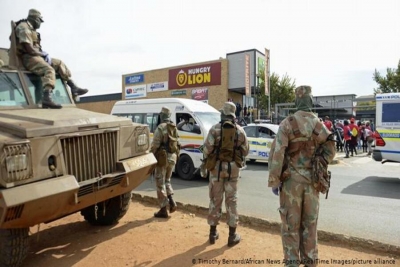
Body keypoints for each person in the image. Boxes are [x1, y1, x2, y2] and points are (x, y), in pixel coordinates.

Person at [268, 85, 336, 266]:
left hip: (291, 183)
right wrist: (318, 165)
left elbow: (277, 153)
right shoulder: (319, 125)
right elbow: (331, 150)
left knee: (291, 227)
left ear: (297, 101)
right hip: (313, 183)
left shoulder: (287, 123)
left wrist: (275, 180)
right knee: (310, 227)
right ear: (311, 101)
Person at [13, 9, 88, 109]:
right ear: (35, 19)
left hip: (37, 56)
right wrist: (42, 54)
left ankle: (73, 87)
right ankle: (47, 98)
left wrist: (42, 55)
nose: (40, 23)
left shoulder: (32, 29)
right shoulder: (23, 27)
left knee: (59, 63)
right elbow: (29, 50)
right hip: (28, 58)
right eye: (40, 20)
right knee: (49, 70)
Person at [203, 102, 249, 247]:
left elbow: (206, 149)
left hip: (216, 170)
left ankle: (212, 233)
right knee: (232, 201)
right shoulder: (240, 131)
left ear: (223, 114)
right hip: (233, 171)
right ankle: (232, 235)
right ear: (233, 114)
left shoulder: (214, 129)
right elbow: (246, 151)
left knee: (215, 200)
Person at [150, 107, 180, 218]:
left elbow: (155, 145)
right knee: (167, 181)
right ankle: (172, 202)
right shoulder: (174, 127)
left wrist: (149, 155)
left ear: (162, 116)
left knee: (160, 183)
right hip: (173, 158)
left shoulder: (160, 127)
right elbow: (178, 143)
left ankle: (163, 209)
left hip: (162, 159)